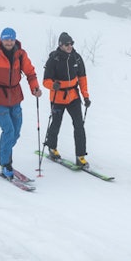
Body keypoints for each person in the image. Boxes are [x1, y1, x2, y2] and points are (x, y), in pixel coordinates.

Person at [0, 27, 42, 178]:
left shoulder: (20, 54)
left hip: (15, 97)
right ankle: (6, 163)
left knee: (16, 133)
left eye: (11, 39)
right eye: (6, 39)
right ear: (1, 39)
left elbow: (30, 73)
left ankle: (4, 153)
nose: (9, 42)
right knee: (9, 131)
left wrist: (35, 88)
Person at [42, 31, 91, 165]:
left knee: (79, 125)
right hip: (57, 97)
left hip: (73, 97)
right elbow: (45, 81)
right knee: (56, 124)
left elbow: (82, 79)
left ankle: (80, 156)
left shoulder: (77, 58)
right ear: (60, 45)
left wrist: (85, 96)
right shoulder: (53, 59)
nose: (70, 46)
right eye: (66, 44)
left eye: (71, 43)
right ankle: (52, 148)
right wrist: (53, 85)